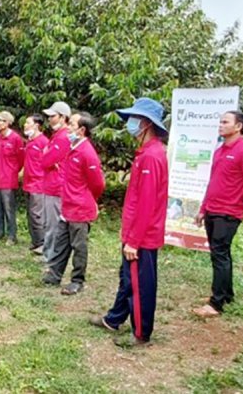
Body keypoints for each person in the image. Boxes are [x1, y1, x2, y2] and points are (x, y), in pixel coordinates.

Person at [90, 98, 169, 347]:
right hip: (135, 232)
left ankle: (142, 333)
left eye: (134, 119)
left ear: (145, 124)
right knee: (127, 278)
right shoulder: (145, 153)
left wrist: (133, 241)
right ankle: (113, 319)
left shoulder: (151, 157)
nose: (129, 124)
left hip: (142, 236)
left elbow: (147, 203)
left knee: (139, 284)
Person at [192, 111, 243, 318]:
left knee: (220, 254)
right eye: (220, 122)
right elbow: (213, 182)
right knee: (219, 254)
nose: (220, 125)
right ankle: (226, 294)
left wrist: (236, 202)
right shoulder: (220, 150)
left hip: (228, 213)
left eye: (225, 122)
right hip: (213, 210)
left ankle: (216, 304)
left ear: (238, 126)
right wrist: (203, 208)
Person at [42, 112, 105, 295]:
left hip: (80, 207)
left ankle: (77, 280)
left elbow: (98, 184)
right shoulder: (72, 147)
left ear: (82, 130)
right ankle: (54, 274)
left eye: (72, 124)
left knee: (79, 246)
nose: (68, 127)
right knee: (61, 242)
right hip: (67, 204)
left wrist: (87, 198)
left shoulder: (87, 152)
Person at [40, 101, 72, 262]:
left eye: (53, 116)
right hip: (51, 183)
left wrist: (46, 155)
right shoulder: (58, 136)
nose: (50, 119)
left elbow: (46, 160)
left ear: (63, 117)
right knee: (49, 222)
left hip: (56, 185)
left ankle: (50, 256)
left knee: (53, 224)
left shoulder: (63, 137)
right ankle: (49, 253)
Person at [0, 111, 25, 243]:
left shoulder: (16, 139)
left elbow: (21, 159)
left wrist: (15, 173)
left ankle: (12, 235)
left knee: (9, 208)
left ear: (7, 123)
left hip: (9, 179)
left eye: (0, 120)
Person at [22, 114, 49, 253]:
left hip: (39, 183)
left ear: (36, 125)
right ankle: (35, 241)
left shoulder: (43, 142)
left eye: (28, 123)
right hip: (28, 182)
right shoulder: (29, 142)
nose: (25, 125)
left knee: (37, 214)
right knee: (30, 214)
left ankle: (43, 243)